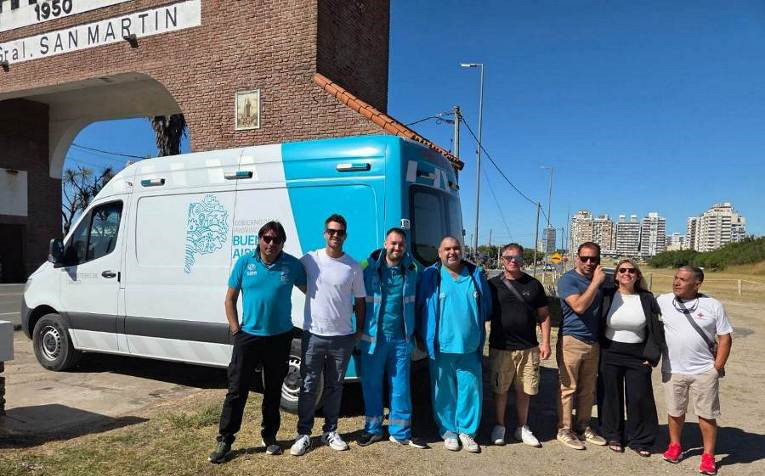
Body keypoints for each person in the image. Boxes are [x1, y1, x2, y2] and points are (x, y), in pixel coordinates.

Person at [209, 221, 307, 464]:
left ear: (282, 243)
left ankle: (269, 436)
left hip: (279, 338)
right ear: (259, 239)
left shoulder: (291, 265)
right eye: (267, 238)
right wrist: (236, 329)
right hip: (248, 337)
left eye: (276, 239)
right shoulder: (245, 263)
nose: (271, 243)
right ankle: (225, 439)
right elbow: (230, 299)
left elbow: (312, 292)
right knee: (237, 390)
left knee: (273, 391)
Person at [290, 214, 366, 456]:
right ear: (325, 233)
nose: (335, 235)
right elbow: (292, 274)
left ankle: (330, 431)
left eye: (340, 232)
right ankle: (304, 434)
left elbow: (360, 301)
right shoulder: (310, 259)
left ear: (345, 236)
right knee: (309, 385)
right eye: (331, 231)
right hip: (313, 335)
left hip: (342, 337)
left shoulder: (353, 267)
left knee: (335, 386)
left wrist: (359, 329)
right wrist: (310, 291)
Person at [415, 236, 491, 453]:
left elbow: (486, 306)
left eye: (456, 248)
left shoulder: (475, 274)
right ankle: (448, 431)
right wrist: (420, 336)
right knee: (443, 391)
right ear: (439, 253)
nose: (452, 252)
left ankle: (467, 431)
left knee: (470, 389)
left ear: (462, 251)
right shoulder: (430, 276)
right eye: (447, 249)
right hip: (441, 345)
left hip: (470, 345)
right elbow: (419, 306)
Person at [658, 266, 733, 476]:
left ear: (697, 284)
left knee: (707, 415)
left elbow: (725, 338)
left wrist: (716, 368)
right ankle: (675, 446)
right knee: (675, 411)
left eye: (683, 279)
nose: (676, 282)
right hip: (673, 369)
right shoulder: (663, 301)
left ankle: (708, 455)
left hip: (704, 371)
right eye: (676, 278)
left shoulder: (713, 305)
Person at [357, 228, 428, 449]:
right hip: (373, 339)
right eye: (393, 243)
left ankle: (400, 432)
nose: (397, 247)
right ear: (385, 244)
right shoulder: (366, 267)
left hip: (400, 339)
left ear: (405, 247)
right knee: (371, 385)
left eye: (401, 244)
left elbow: (420, 302)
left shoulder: (413, 270)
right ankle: (373, 430)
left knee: (401, 387)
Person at [599, 258, 665, 456]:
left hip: (637, 355)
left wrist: (652, 356)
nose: (626, 274)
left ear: (638, 275)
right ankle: (613, 434)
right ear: (616, 275)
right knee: (610, 396)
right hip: (610, 351)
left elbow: (656, 329)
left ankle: (641, 440)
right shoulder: (607, 295)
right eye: (622, 270)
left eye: (631, 271)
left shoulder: (647, 299)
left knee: (639, 397)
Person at [488, 243, 550, 448]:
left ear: (523, 260)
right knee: (500, 389)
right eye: (509, 257)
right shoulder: (492, 285)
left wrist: (546, 342)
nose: (513, 261)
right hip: (501, 346)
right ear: (502, 260)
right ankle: (500, 425)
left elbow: (544, 315)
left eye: (517, 258)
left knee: (525, 389)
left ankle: (522, 427)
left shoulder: (534, 284)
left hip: (528, 347)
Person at [556, 241, 607, 450]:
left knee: (588, 389)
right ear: (577, 258)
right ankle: (564, 429)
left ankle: (583, 426)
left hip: (593, 341)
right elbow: (578, 306)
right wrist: (595, 283)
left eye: (593, 259)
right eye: (584, 258)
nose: (588, 262)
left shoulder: (601, 280)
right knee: (568, 388)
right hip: (572, 340)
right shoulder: (568, 280)